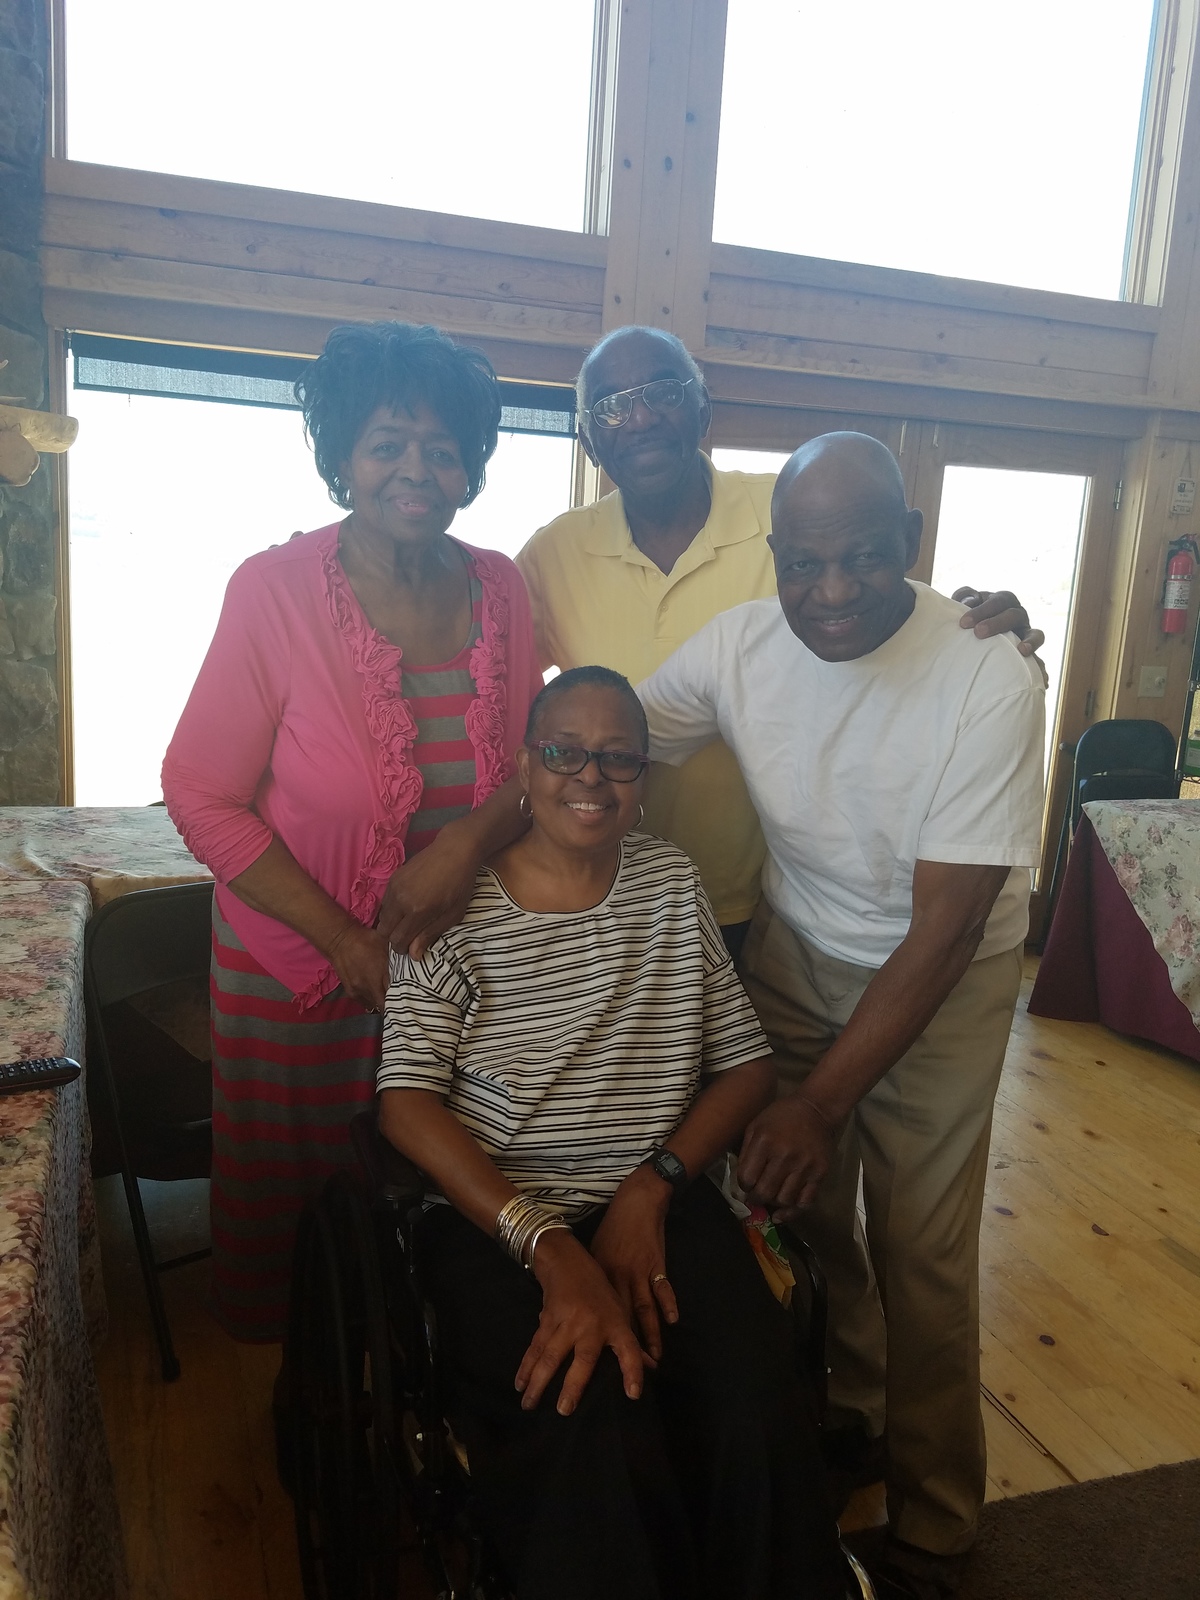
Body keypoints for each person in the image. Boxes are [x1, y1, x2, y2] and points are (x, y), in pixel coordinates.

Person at [636, 433, 1046, 1599]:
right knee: (797, 1212)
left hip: (944, 972)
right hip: (795, 949)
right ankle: (850, 1412)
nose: (830, 592)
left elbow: (950, 923)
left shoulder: (986, 670)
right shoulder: (740, 644)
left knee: (920, 1246)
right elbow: (610, 739)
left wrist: (822, 1099)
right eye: (804, 562)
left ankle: (936, 1522)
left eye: (863, 559)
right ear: (774, 556)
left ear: (910, 548)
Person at [376, 666, 859, 1600]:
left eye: (618, 759)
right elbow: (405, 1105)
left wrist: (653, 1186)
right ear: (525, 764)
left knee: (756, 1409)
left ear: (644, 774)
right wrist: (548, 1245)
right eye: (563, 752)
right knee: (589, 1421)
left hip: (661, 1202)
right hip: (498, 1220)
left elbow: (748, 1064)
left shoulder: (669, 882)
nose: (589, 779)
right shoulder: (456, 906)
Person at [161, 321, 541, 1343]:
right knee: (301, 1213)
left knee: (426, 1191)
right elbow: (199, 793)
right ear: (341, 460)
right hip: (298, 966)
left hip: (447, 963)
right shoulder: (273, 590)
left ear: (471, 465)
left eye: (443, 446)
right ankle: (307, 1413)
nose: (417, 468)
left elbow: (525, 775)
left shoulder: (503, 587)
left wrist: (461, 850)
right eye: (387, 443)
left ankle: (413, 1369)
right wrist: (344, 940)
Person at [511, 325, 1044, 963]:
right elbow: (517, 713)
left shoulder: (794, 507)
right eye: (611, 407)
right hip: (612, 894)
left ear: (703, 407)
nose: (642, 416)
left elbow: (891, 607)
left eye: (663, 391)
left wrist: (983, 635)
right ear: (589, 439)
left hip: (773, 901)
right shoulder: (551, 554)